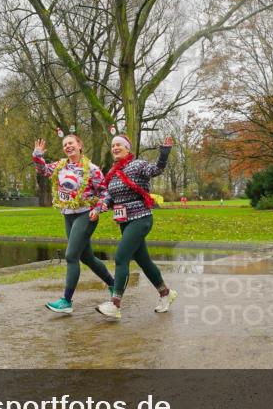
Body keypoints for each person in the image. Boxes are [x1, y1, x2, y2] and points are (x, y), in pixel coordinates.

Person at [93, 134, 177, 320]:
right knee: (144, 261)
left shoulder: (138, 165)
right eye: (113, 145)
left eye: (119, 145)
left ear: (127, 148)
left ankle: (115, 304)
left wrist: (164, 152)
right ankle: (165, 293)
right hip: (124, 221)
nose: (115, 148)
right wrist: (99, 208)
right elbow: (109, 196)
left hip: (141, 218)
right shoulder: (112, 172)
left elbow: (156, 169)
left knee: (121, 257)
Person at [32, 134, 114, 313]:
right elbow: (43, 170)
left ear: (79, 145)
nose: (68, 146)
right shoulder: (60, 166)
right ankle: (113, 284)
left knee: (71, 256)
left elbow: (105, 193)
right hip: (68, 215)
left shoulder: (91, 169)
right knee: (87, 257)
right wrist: (37, 155)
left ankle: (66, 302)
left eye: (71, 143)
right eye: (65, 144)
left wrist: (97, 209)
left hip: (86, 215)